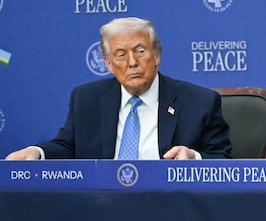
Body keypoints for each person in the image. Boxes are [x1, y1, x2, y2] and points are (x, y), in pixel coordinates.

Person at [5, 17, 232, 160]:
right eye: (121, 55)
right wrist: (39, 152)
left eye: (140, 51)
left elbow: (223, 159)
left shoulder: (199, 102)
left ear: (156, 56)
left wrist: (194, 157)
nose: (132, 62)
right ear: (108, 63)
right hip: (103, 209)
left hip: (171, 206)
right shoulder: (87, 99)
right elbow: (68, 146)